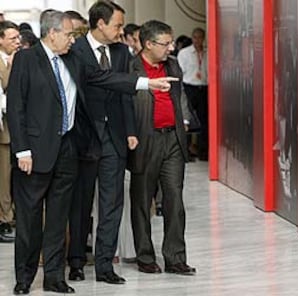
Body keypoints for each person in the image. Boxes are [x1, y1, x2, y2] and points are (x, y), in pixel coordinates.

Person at [8, 9, 177, 295]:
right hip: (34, 153)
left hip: (67, 149)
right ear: (52, 34)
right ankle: (24, 279)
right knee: (30, 219)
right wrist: (22, 150)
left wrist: (146, 83)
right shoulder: (27, 59)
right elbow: (16, 106)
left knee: (59, 218)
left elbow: (105, 78)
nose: (73, 41)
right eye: (69, 35)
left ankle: (54, 277)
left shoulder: (74, 59)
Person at [67, 0, 137, 285]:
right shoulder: (76, 50)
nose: (121, 31)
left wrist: (131, 130)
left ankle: (105, 265)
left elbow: (124, 93)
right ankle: (76, 261)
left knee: (112, 203)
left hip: (115, 137)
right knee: (80, 204)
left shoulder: (121, 51)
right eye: (118, 25)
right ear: (100, 23)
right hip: (84, 137)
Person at [128, 19, 196, 276]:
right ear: (148, 44)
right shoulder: (131, 67)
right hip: (145, 141)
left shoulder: (173, 64)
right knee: (142, 201)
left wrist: (185, 121)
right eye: (165, 43)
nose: (170, 48)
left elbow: (180, 96)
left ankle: (175, 258)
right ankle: (145, 256)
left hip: (173, 141)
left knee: (175, 201)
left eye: (171, 42)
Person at [0, 20, 20, 243]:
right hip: (3, 129)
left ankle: (10, 216)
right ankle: (5, 220)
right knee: (3, 179)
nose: (17, 42)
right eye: (12, 38)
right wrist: (13, 65)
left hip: (15, 129)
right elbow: (7, 86)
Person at [177, 27, 208, 160]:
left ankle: (203, 151)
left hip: (204, 88)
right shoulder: (184, 53)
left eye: (200, 37)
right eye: (195, 37)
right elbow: (180, 72)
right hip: (189, 87)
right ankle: (186, 151)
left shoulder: (208, 52)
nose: (197, 40)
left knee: (204, 121)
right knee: (187, 119)